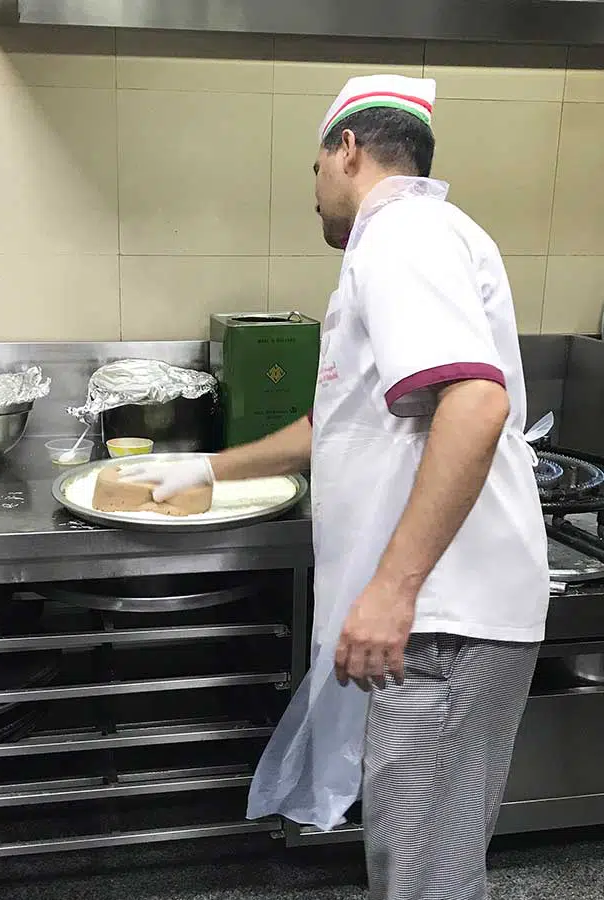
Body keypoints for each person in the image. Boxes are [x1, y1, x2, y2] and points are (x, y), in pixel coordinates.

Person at [121, 74, 550, 900]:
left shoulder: (401, 234)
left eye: (316, 170)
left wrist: (393, 590)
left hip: (447, 619)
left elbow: (476, 403)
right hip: (441, 619)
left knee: (426, 876)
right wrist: (207, 467)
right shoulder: (413, 239)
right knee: (417, 860)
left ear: (346, 151)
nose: (315, 197)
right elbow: (341, 423)